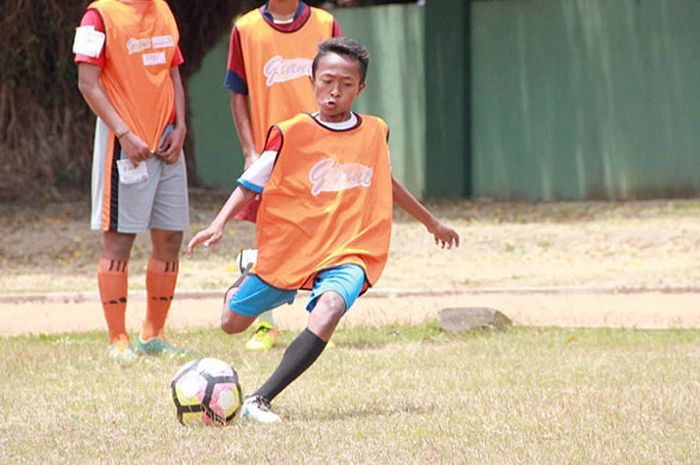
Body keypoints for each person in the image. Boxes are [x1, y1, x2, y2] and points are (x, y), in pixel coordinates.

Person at [188, 37, 460, 422]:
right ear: (312, 80)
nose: (335, 91)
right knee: (231, 323)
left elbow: (386, 181)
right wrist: (218, 223)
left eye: (347, 84)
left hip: (351, 248)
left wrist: (431, 222)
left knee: (330, 307)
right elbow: (251, 183)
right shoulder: (291, 132)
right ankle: (251, 270)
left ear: (360, 88)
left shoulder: (375, 131)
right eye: (327, 80)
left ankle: (259, 400)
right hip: (295, 245)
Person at [74, 0, 190, 364]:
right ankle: (117, 338)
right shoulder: (98, 16)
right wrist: (123, 132)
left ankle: (154, 333)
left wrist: (182, 126)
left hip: (168, 140)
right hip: (125, 145)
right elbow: (87, 83)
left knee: (170, 237)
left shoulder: (163, 10)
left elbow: (173, 72)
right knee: (119, 240)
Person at [225, 0, 342, 352]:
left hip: (319, 153)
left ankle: (316, 328)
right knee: (271, 240)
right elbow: (238, 93)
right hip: (271, 153)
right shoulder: (246, 28)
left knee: (322, 238)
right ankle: (265, 325)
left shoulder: (324, 23)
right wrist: (249, 148)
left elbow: (343, 83)